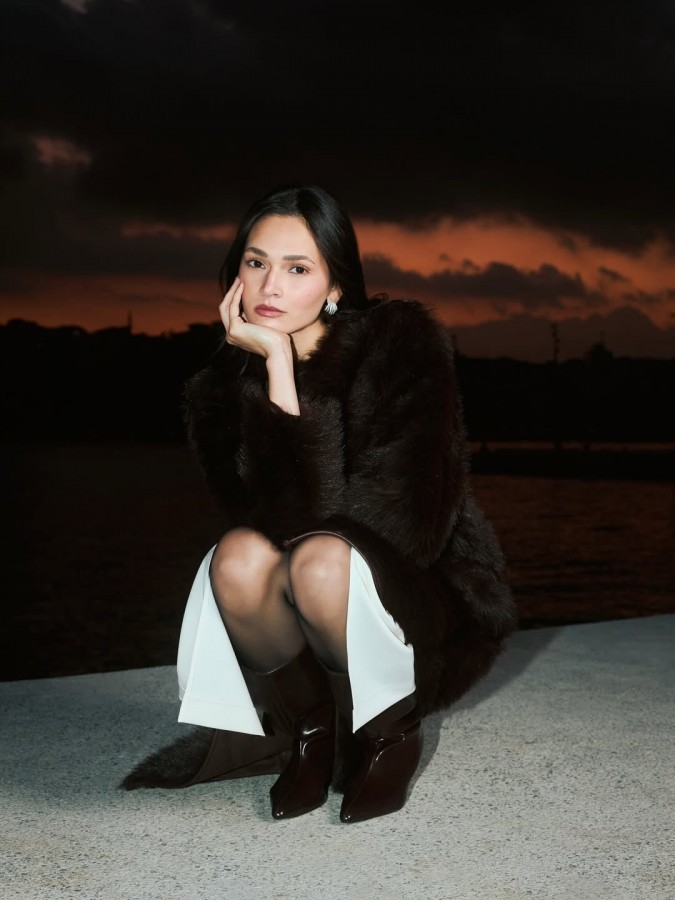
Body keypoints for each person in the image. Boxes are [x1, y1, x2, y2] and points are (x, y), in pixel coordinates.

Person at [123, 183, 517, 823]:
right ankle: (312, 731)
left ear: (335, 285)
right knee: (238, 554)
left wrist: (285, 374)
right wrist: (277, 372)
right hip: (308, 599)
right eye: (256, 262)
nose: (270, 287)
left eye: (298, 268)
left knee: (321, 558)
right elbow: (274, 529)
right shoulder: (219, 391)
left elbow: (403, 528)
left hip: (422, 591)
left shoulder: (399, 345)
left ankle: (388, 733)